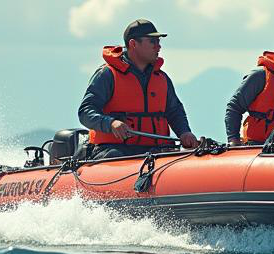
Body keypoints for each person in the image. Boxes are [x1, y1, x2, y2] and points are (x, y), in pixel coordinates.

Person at [78, 19, 200, 159]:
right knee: (117, 158)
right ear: (133, 44)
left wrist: (184, 132)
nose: (158, 47)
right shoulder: (107, 75)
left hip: (155, 151)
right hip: (114, 151)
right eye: (152, 42)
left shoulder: (161, 78)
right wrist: (111, 123)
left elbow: (174, 111)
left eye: (158, 42)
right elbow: (85, 112)